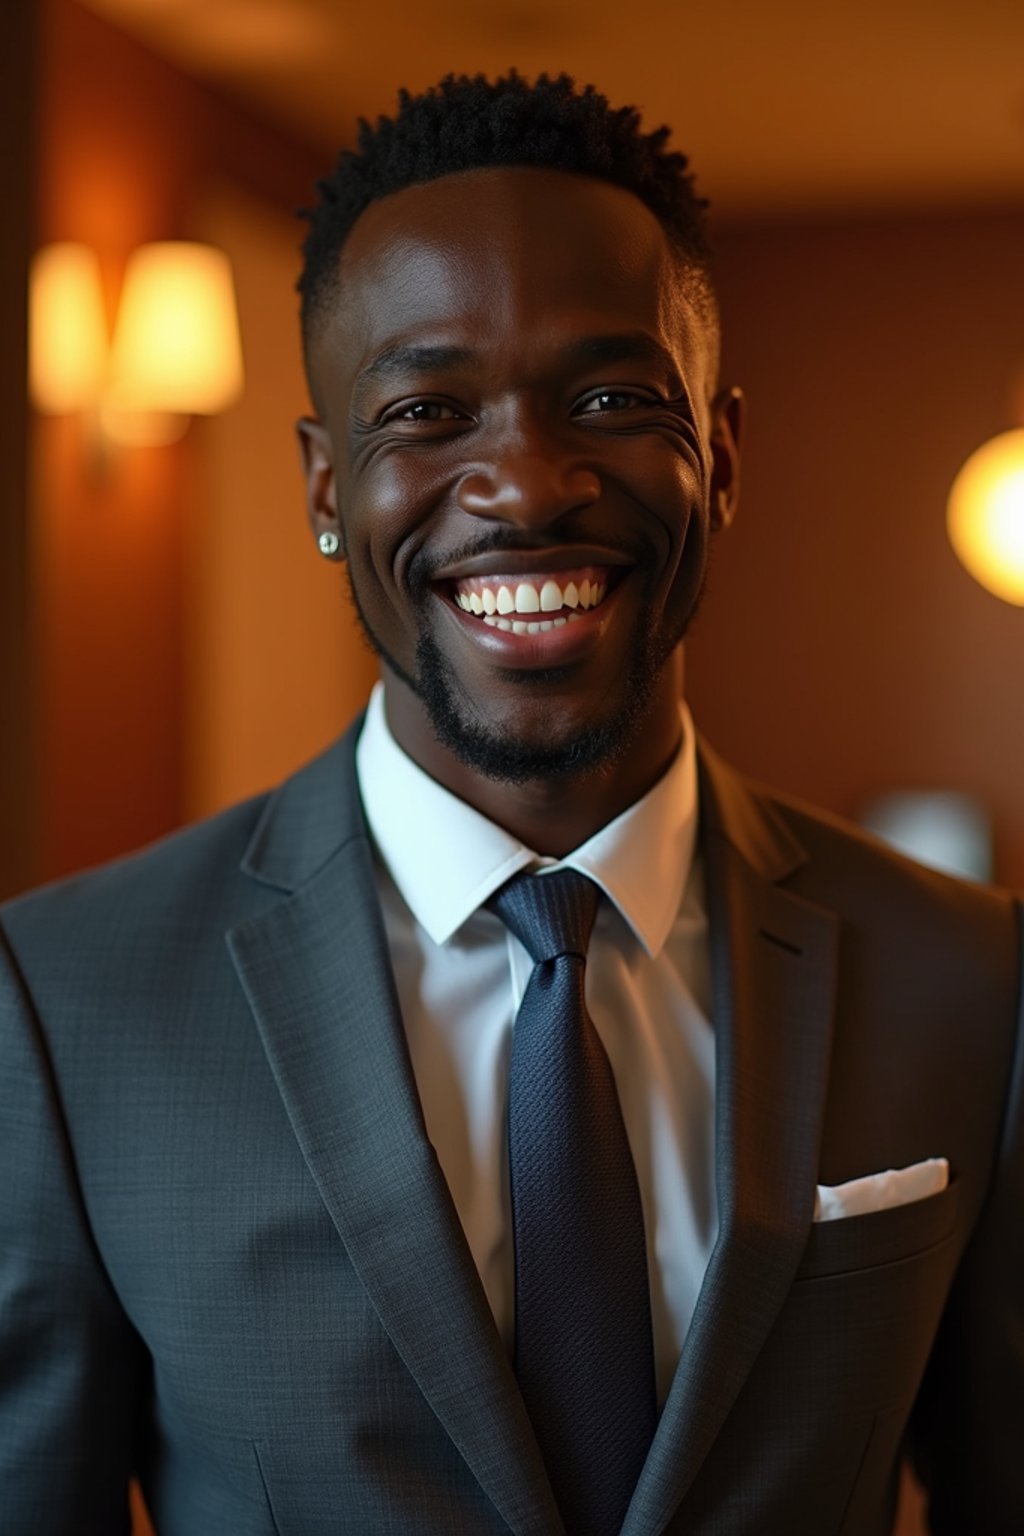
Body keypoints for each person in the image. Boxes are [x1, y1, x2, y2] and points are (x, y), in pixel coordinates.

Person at [1, 72, 1021, 1536]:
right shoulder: (69, 1002)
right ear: (321, 487)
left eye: (610, 398)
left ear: (721, 457)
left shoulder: (972, 980)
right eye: (428, 408)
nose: (528, 483)